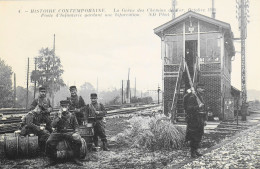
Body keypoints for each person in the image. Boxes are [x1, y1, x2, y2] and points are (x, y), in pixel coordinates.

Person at [45, 100, 83, 166]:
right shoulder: (57, 114)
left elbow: (76, 126)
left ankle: (76, 158)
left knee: (78, 141)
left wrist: (76, 132)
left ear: (68, 107)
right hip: (59, 132)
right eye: (62, 106)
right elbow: (53, 125)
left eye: (65, 106)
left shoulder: (72, 115)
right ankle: (53, 158)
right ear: (60, 107)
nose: (64, 108)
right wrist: (58, 117)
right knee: (49, 142)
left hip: (69, 132)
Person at [19, 86, 51, 151]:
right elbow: (29, 123)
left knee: (48, 130)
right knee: (44, 133)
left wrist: (48, 110)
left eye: (44, 92)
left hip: (42, 119)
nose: (43, 93)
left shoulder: (47, 100)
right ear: (39, 92)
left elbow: (50, 107)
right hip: (31, 126)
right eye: (42, 92)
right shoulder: (36, 101)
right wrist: (39, 127)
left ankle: (42, 145)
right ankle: (39, 146)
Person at [183, 85, 207, 158]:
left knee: (199, 135)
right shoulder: (192, 97)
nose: (203, 90)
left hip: (200, 119)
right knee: (194, 136)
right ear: (198, 89)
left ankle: (196, 150)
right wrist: (197, 107)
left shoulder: (200, 97)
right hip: (193, 119)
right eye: (202, 88)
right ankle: (192, 152)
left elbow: (204, 109)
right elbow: (188, 108)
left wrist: (205, 120)